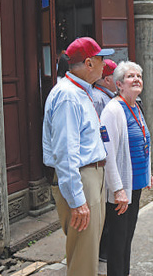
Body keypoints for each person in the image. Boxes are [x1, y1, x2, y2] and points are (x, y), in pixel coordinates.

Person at [42, 37, 114, 276]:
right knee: (83, 253)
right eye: (101, 59)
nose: (105, 64)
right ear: (88, 63)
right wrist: (77, 200)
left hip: (92, 174)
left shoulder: (82, 91)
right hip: (82, 177)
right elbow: (65, 153)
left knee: (88, 248)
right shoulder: (68, 95)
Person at [101, 61, 152, 276]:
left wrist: (147, 175)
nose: (136, 80)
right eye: (131, 76)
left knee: (127, 237)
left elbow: (143, 140)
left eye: (139, 76)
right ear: (119, 84)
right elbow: (108, 153)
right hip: (121, 188)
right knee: (118, 240)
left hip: (136, 184)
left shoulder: (136, 106)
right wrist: (118, 189)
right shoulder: (113, 110)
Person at [91, 58, 117, 263]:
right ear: (107, 79)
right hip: (104, 159)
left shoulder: (108, 96)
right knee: (107, 205)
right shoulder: (100, 98)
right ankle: (103, 249)